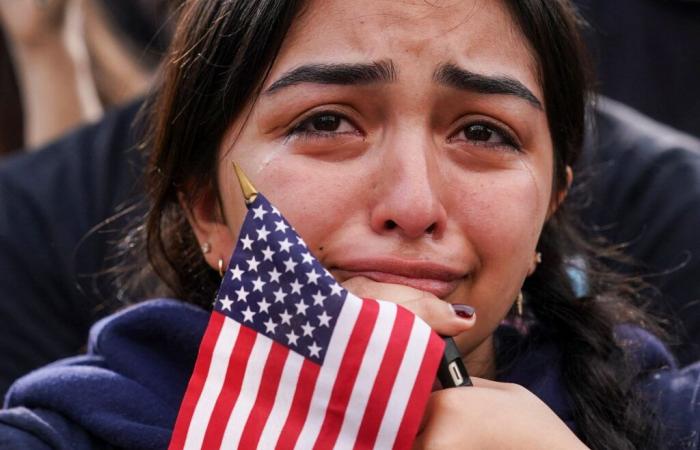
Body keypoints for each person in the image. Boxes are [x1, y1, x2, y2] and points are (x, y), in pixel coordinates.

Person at [0, 0, 697, 448]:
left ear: (551, 205)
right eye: (327, 122)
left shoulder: (667, 421)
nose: (415, 203)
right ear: (206, 208)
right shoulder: (65, 435)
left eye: (483, 132)